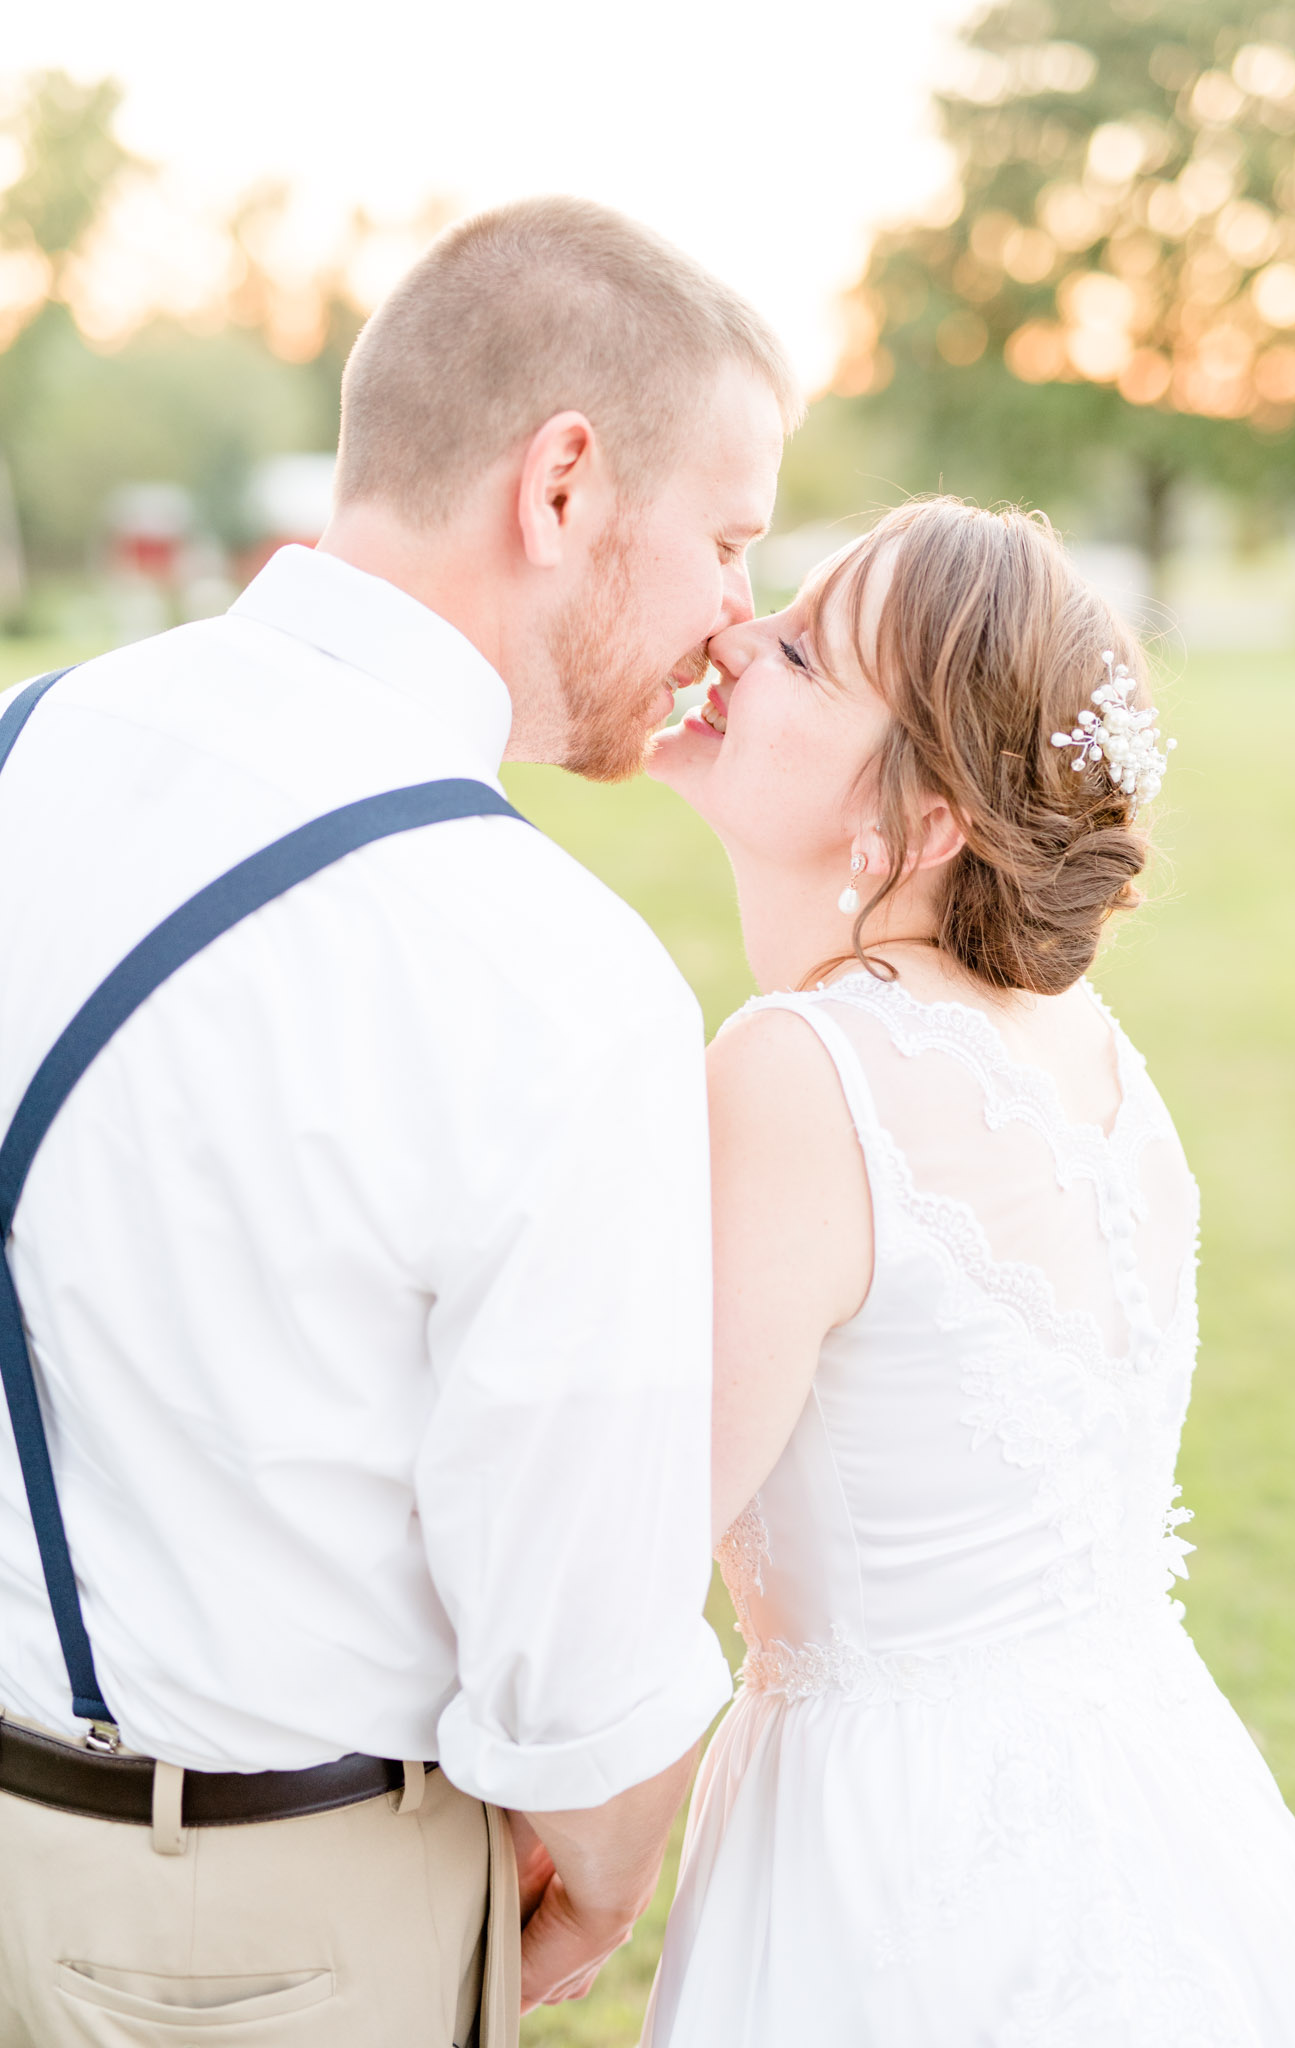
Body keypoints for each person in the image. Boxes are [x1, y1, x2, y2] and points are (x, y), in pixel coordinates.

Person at [0, 197, 799, 2046]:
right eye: (730, 539)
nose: (735, 616)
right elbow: (581, 1660)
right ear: (567, 484)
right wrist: (602, 1859)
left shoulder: (23, 745)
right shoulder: (551, 971)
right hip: (268, 1937)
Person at [643, 497, 1295, 2046]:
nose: (732, 637)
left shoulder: (798, 1071)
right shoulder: (1100, 1062)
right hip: (1158, 1801)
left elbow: (636, 1541)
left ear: (927, 818)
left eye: (804, 654)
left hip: (895, 1866)